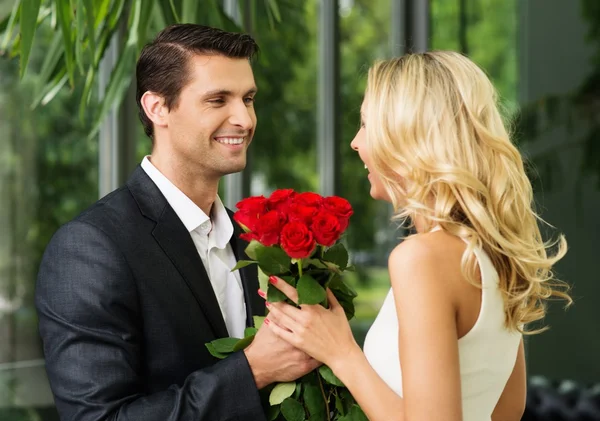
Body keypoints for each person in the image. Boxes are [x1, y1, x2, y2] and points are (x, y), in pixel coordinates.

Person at [263, 51, 572, 421]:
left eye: (366, 125)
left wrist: (341, 353)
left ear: (407, 134)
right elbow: (506, 409)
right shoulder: (494, 253)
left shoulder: (421, 258)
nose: (355, 143)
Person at [35, 24, 318, 421]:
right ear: (157, 108)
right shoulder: (90, 247)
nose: (244, 118)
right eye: (218, 99)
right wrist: (253, 371)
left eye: (248, 99)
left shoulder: (257, 241)